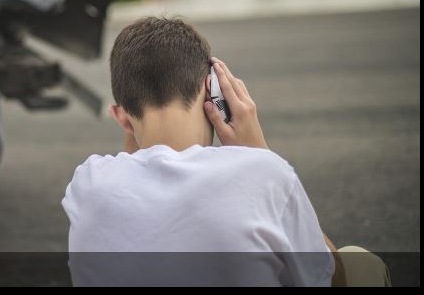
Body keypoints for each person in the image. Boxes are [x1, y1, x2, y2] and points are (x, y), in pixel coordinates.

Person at [62, 17, 389, 287]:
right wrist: (258, 151)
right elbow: (333, 278)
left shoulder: (87, 183)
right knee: (361, 263)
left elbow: (138, 169)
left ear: (121, 116)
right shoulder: (262, 173)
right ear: (212, 90)